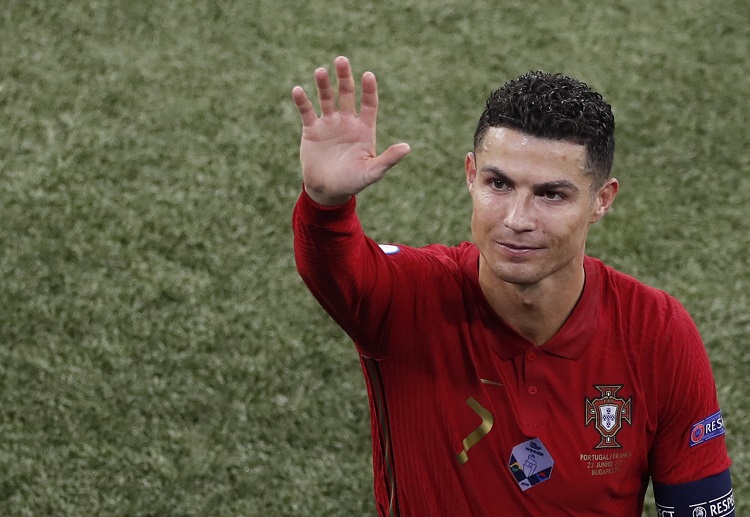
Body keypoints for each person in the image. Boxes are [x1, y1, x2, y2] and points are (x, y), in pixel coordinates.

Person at [291, 56, 734, 516]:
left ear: (601, 201)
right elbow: (334, 268)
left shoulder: (658, 333)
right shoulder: (408, 297)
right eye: (498, 183)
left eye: (550, 194)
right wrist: (326, 203)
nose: (517, 220)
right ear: (470, 175)